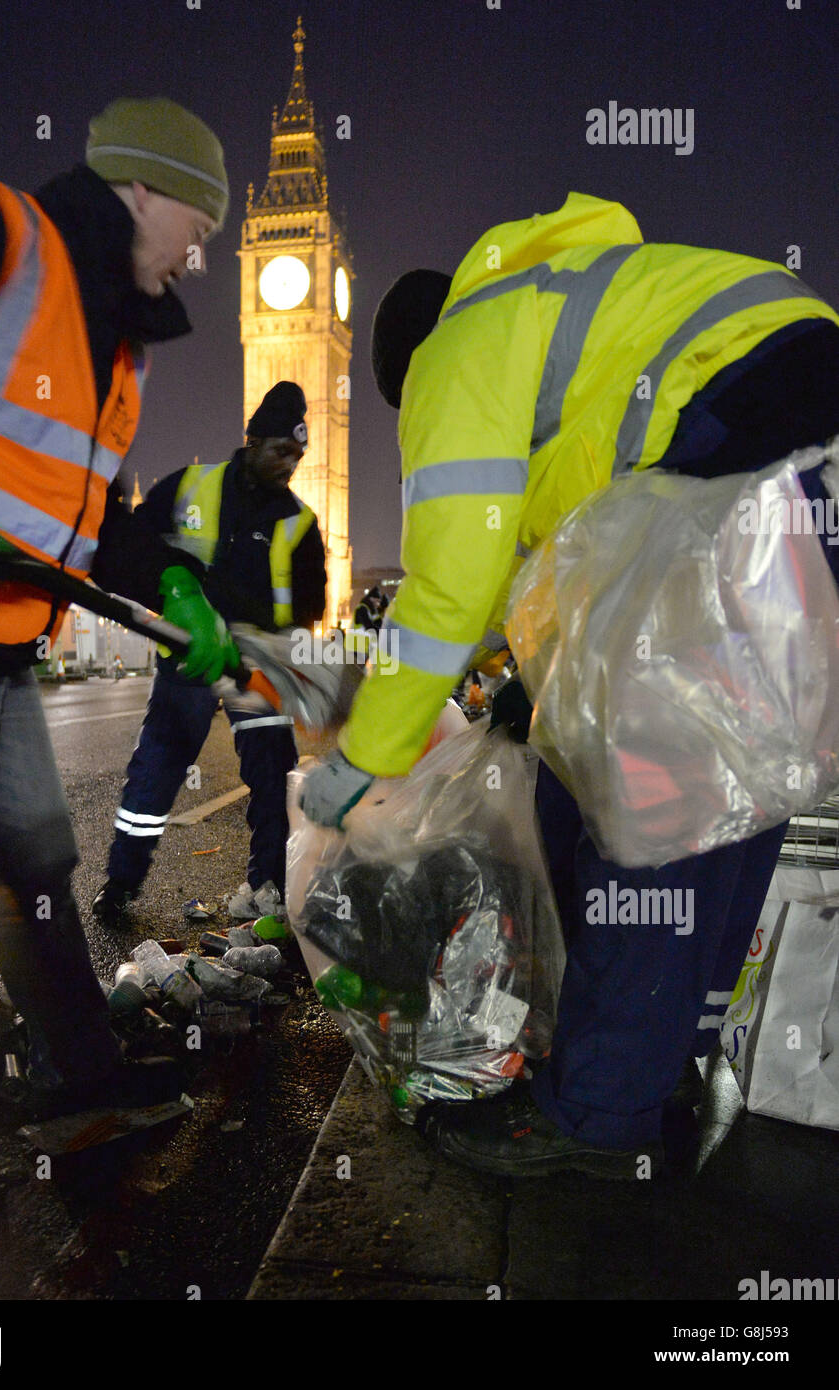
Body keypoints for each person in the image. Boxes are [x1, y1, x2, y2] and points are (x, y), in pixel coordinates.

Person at [301, 190, 839, 1178]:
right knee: (735, 764)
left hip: (728, 435)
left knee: (647, 794)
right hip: (798, 440)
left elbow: (448, 589)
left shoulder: (459, 348)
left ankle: (597, 1116)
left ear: (404, 367)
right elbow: (553, 575)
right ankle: (675, 1053)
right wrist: (526, 684)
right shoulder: (562, 334)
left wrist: (359, 761)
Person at [0, 96, 241, 1127]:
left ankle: (81, 1078)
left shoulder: (121, 351)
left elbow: (97, 515)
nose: (195, 258)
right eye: (197, 231)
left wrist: (169, 579)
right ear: (143, 189)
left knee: (34, 858)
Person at [93, 381, 326, 929]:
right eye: (280, 451)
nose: (289, 464)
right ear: (253, 440)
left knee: (272, 778)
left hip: (258, 668)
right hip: (191, 660)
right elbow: (136, 547)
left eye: (298, 455)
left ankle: (268, 888)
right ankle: (121, 884)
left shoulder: (301, 524)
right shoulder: (190, 488)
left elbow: (310, 605)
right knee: (155, 773)